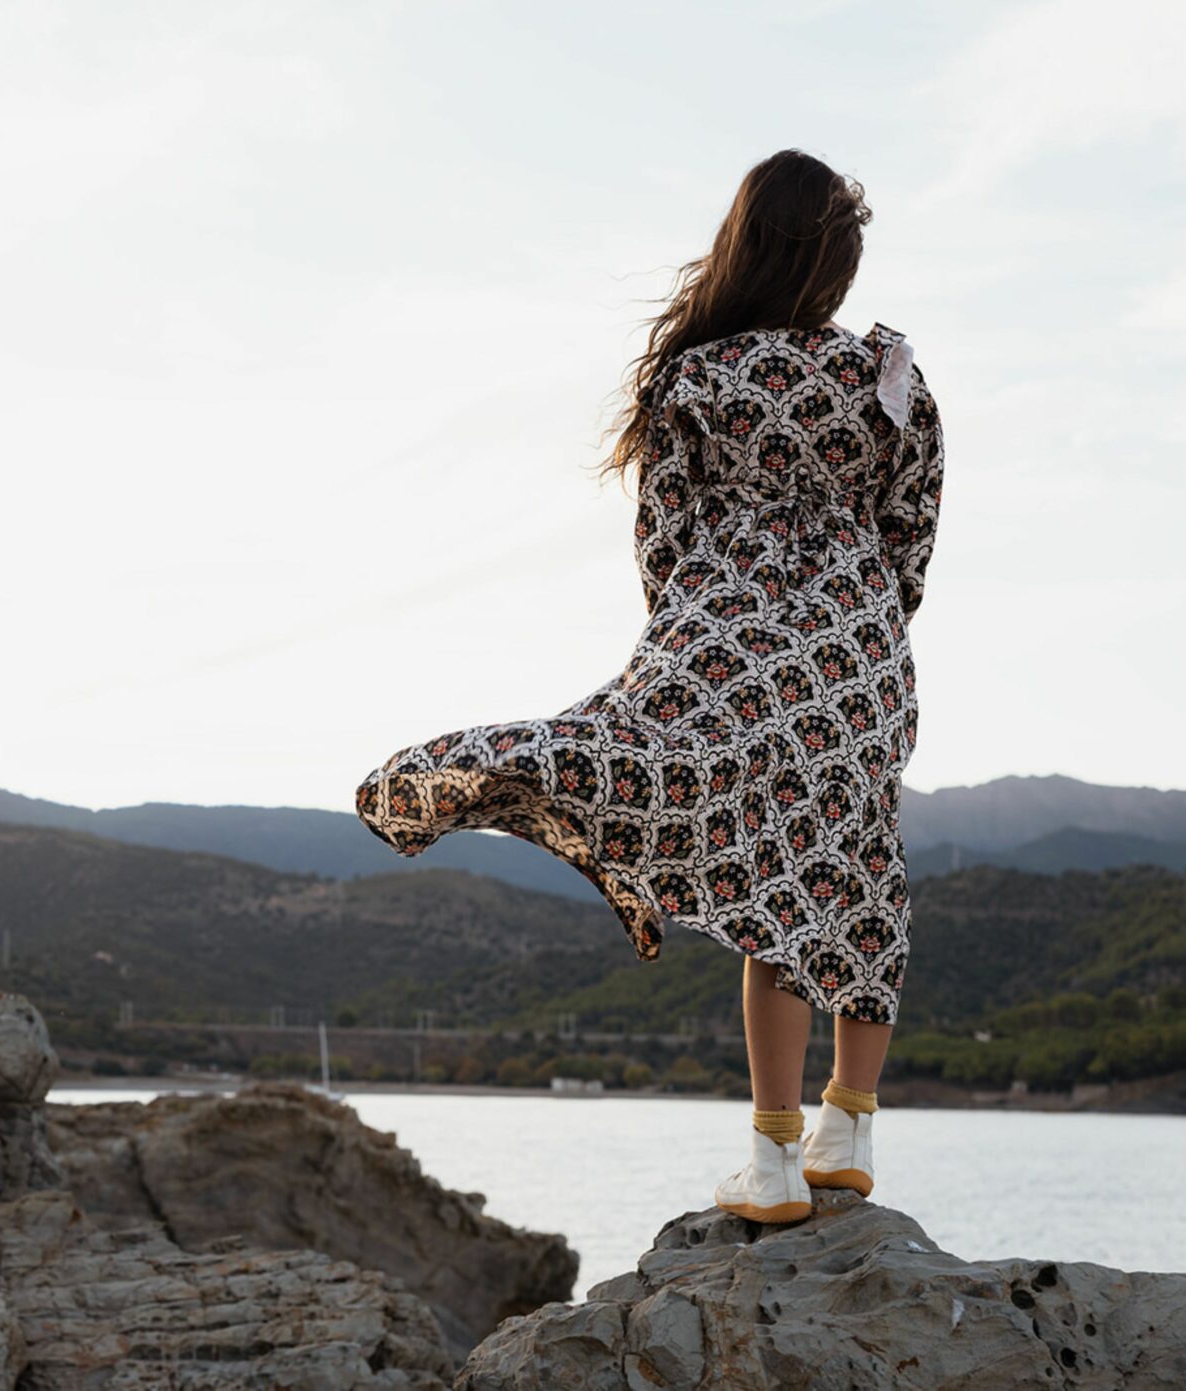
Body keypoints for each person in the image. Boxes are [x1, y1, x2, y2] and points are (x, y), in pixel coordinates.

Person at [352, 149, 945, 1225]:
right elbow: (910, 536)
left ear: (743, 249)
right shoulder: (889, 378)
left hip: (725, 645)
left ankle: (770, 1162)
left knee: (767, 895)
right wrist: (857, 633)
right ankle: (846, 1127)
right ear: (836, 268)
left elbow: (663, 544)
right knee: (854, 870)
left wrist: (690, 650)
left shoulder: (693, 379)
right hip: (857, 660)